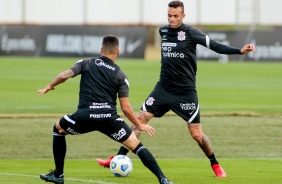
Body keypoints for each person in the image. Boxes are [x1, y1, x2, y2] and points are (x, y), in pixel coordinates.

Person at [96, 0, 256, 178]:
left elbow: (216, 46)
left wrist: (240, 51)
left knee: (196, 134)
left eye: (176, 16)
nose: (171, 19)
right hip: (162, 89)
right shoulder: (163, 31)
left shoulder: (191, 33)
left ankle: (215, 163)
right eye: (169, 16)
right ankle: (117, 159)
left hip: (185, 93)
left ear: (183, 16)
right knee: (138, 122)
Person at [37, 35, 173, 184]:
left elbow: (65, 75)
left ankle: (58, 175)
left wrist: (50, 86)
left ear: (101, 49)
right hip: (109, 119)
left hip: (84, 117)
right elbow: (125, 108)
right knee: (136, 145)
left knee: (58, 129)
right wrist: (139, 125)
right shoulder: (121, 75)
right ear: (118, 52)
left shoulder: (86, 63)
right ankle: (163, 179)